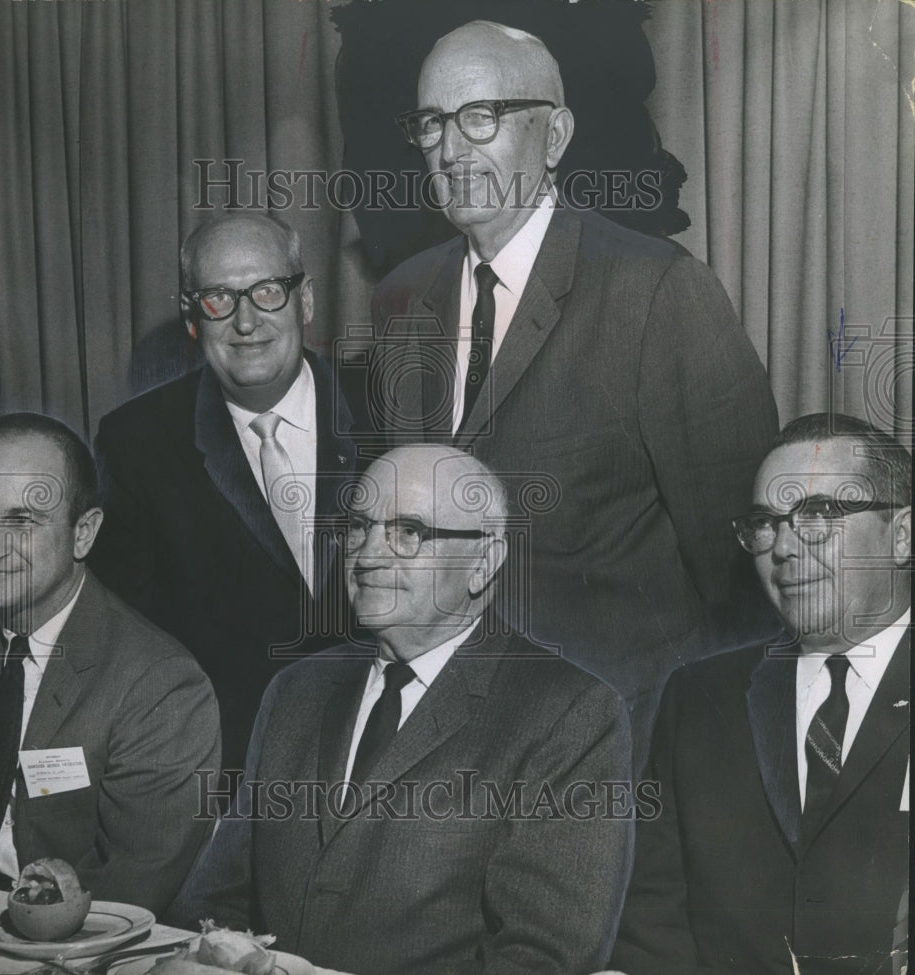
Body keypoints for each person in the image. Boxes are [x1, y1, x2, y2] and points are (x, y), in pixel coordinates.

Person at [370, 20, 780, 759]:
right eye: (431, 123)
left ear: (554, 136)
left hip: (623, 746)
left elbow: (742, 567)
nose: (452, 148)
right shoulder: (402, 297)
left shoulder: (657, 291)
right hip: (453, 748)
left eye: (481, 116)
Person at [168, 445, 634, 974]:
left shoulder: (569, 715)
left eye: (408, 532)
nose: (368, 555)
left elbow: (541, 958)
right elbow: (213, 905)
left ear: (482, 563)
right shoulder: (296, 690)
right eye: (359, 527)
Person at [608, 413, 911, 974]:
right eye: (765, 524)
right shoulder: (699, 697)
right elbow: (654, 927)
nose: (785, 547)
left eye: (819, 514)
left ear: (902, 535)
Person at [0, 413, 220, 914]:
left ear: (84, 533)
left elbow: (127, 898)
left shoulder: (162, 685)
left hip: (75, 942)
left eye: (21, 521)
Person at [90, 213, 357, 781]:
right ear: (192, 318)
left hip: (392, 755)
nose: (246, 321)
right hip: (231, 771)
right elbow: (132, 643)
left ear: (306, 300)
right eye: (218, 299)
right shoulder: (136, 443)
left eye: (268, 291)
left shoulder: (394, 405)